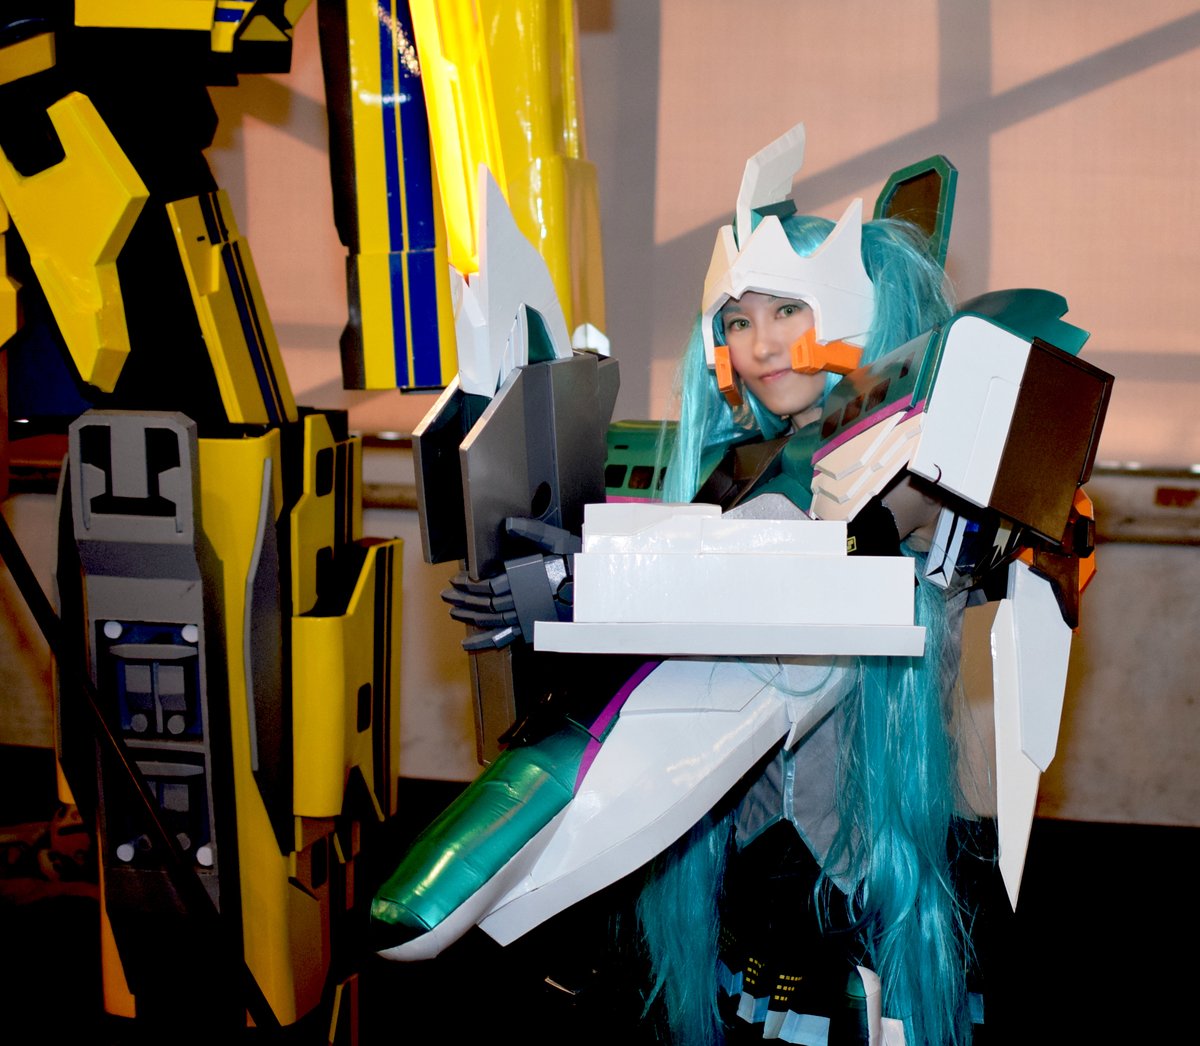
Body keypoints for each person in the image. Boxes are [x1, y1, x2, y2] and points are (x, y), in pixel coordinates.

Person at [638, 130, 982, 1046]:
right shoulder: (737, 467)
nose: (760, 345)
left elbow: (879, 547)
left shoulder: (913, 458)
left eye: (787, 311)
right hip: (756, 843)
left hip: (861, 854)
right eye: (738, 322)